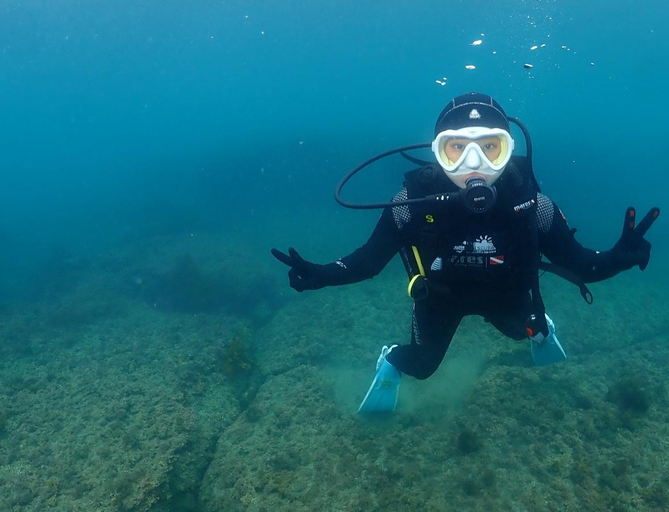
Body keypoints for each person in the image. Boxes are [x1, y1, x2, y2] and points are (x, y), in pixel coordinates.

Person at [271, 92, 659, 413]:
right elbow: (369, 261)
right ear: (438, 152)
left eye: (490, 148)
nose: (474, 164)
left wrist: (617, 258)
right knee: (421, 367)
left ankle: (540, 327)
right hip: (440, 299)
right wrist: (323, 273)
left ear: (508, 151)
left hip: (505, 294)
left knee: (525, 330)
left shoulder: (533, 205)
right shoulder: (412, 202)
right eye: (457, 149)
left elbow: (581, 264)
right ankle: (390, 360)